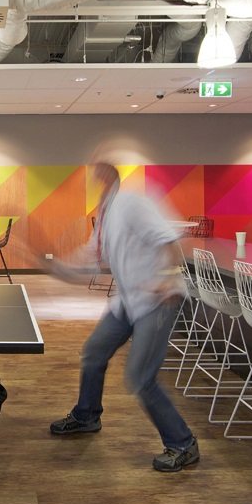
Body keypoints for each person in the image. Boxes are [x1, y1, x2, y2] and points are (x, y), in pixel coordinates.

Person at [46, 161, 198, 472]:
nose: (94, 177)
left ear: (111, 176)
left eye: (99, 172)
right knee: (93, 353)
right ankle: (87, 416)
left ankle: (182, 443)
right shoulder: (104, 215)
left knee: (140, 379)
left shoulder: (131, 202)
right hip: (128, 302)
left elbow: (167, 237)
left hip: (157, 301)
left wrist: (167, 278)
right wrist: (59, 268)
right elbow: (91, 259)